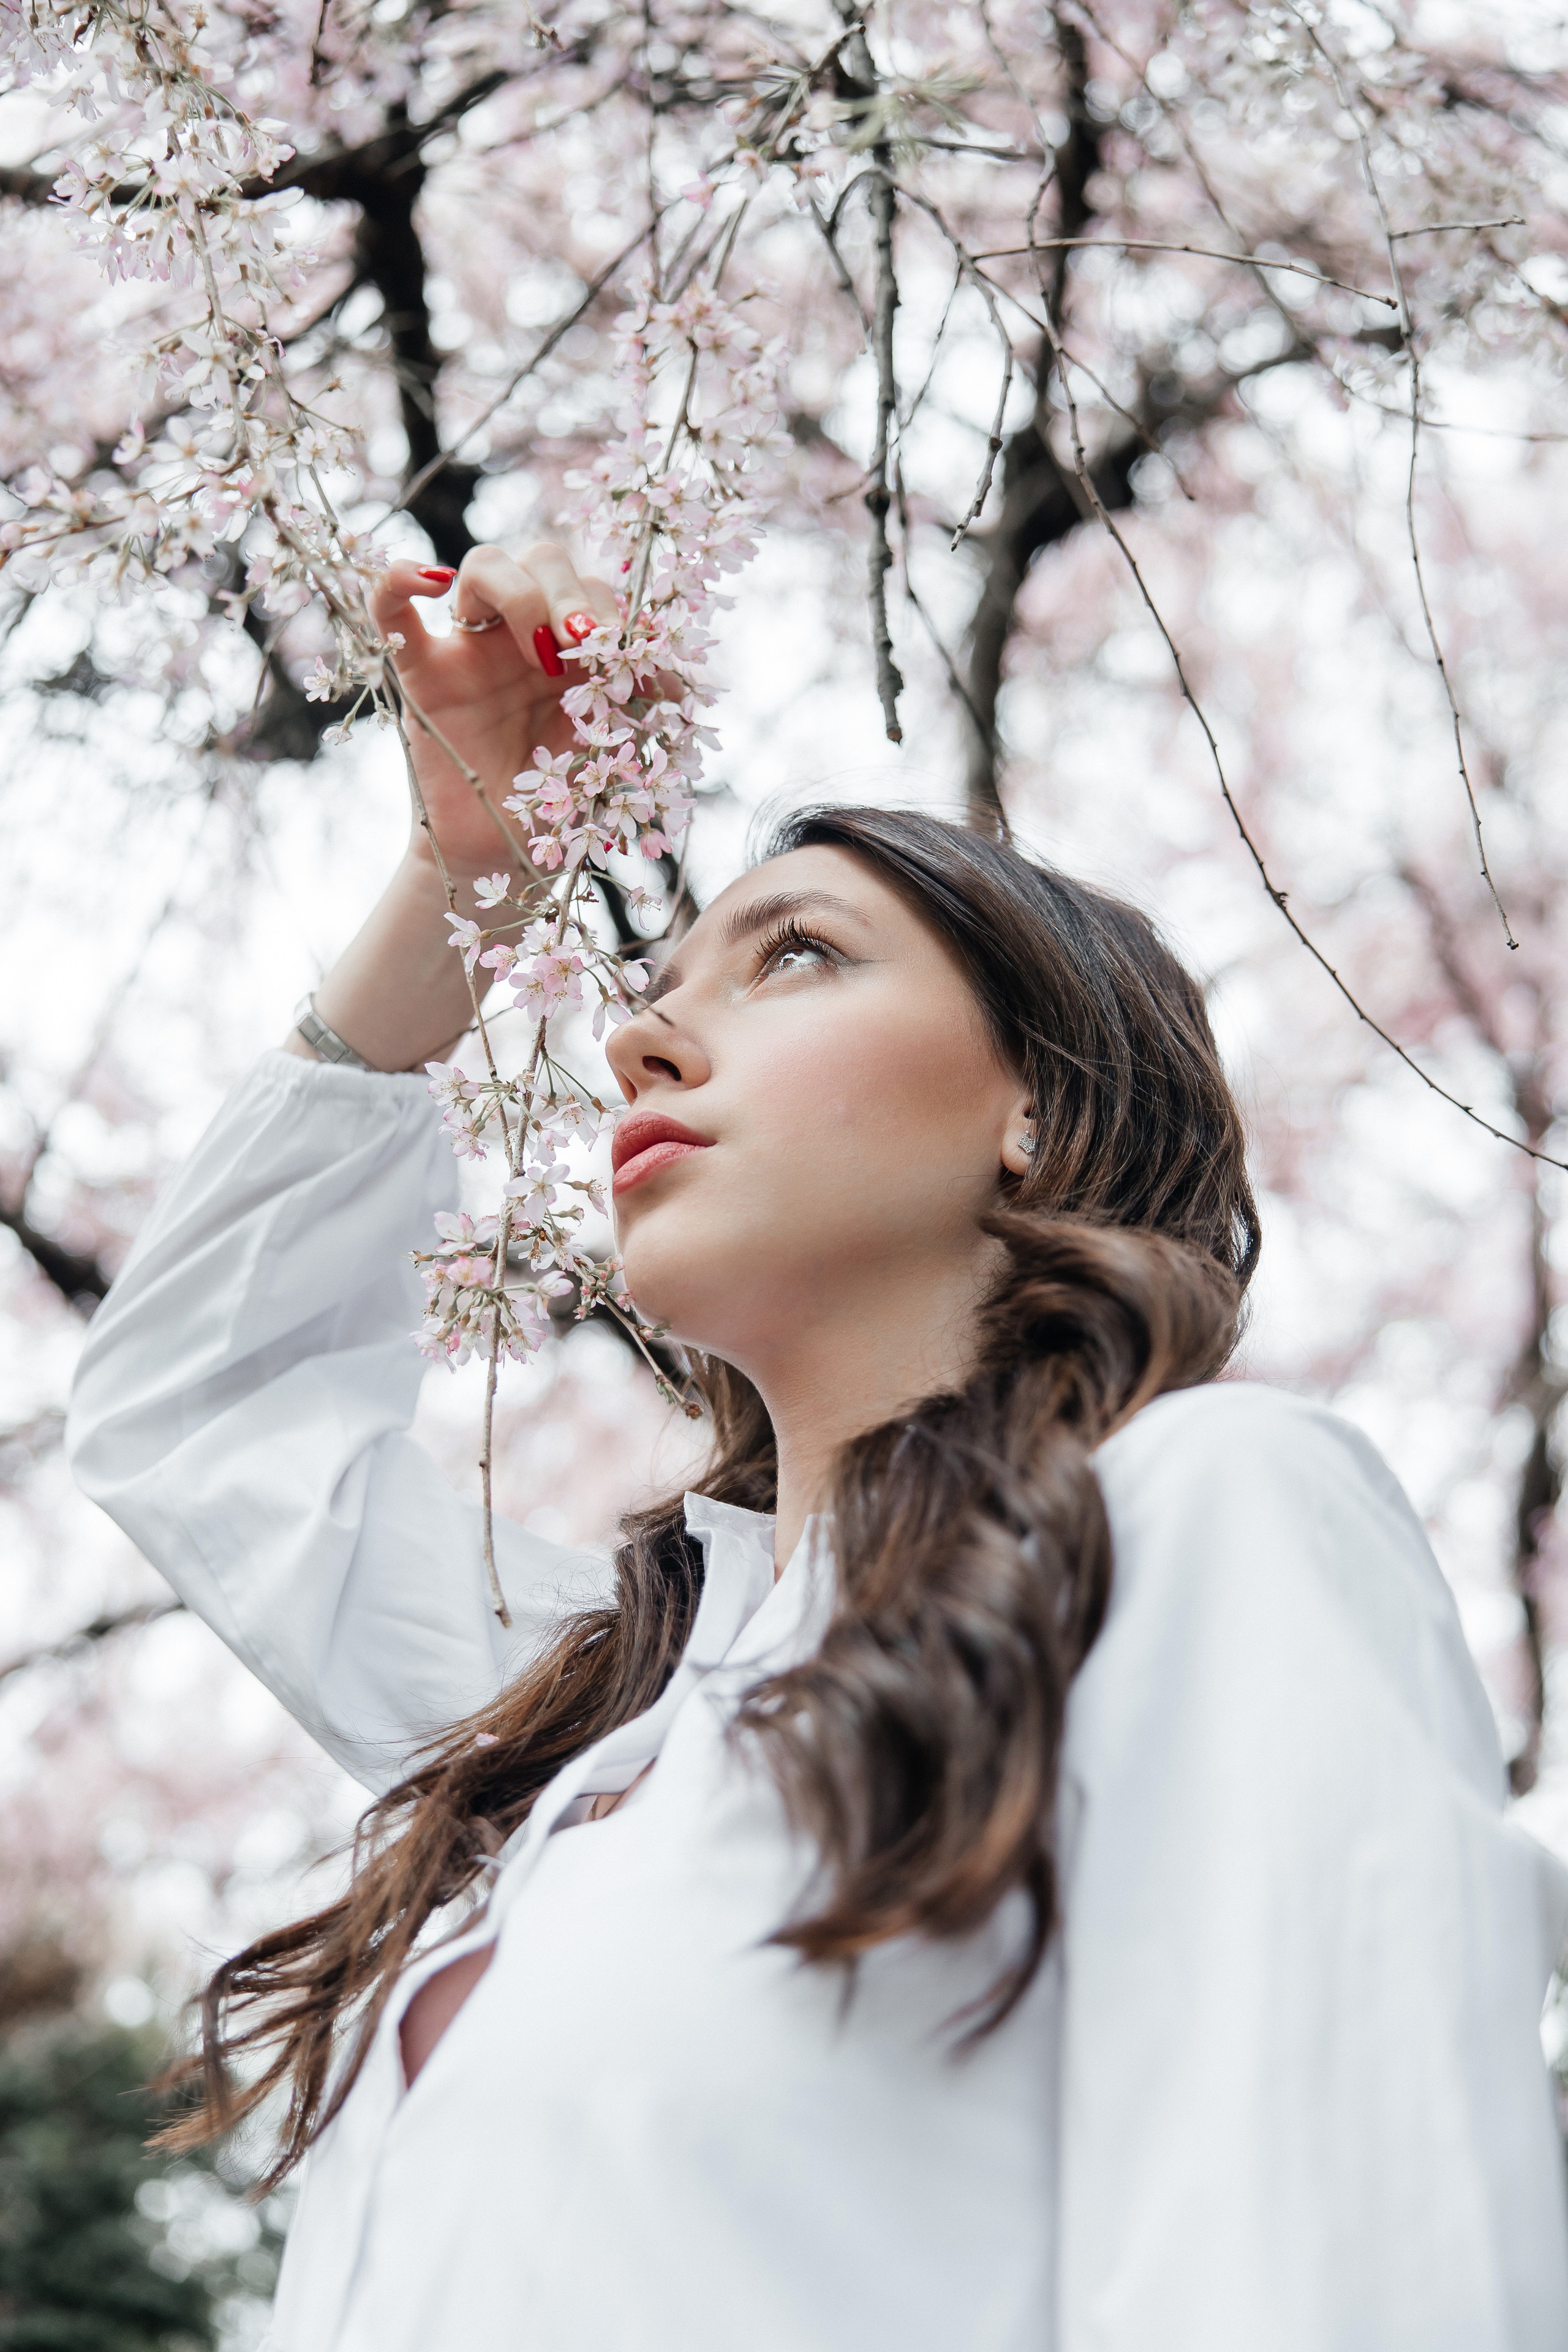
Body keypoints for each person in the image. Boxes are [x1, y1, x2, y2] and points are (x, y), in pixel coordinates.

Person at [67, 541, 1568, 2352]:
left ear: (1036, 1108)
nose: (642, 1038)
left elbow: (1327, 2278)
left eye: (796, 955)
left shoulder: (1191, 1524)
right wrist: (468, 872)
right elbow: (196, 1409)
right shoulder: (583, 1708)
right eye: (657, 983)